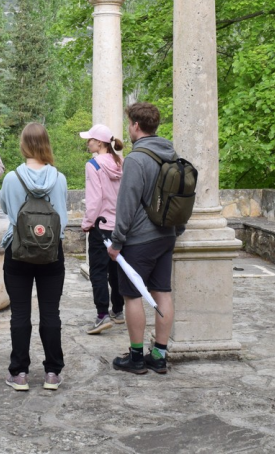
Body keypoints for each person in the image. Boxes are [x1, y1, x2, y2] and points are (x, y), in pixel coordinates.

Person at [0, 123, 69, 391]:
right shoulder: (59, 179)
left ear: (24, 144)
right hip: (52, 253)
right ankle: (52, 372)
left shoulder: (10, 179)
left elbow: (6, 209)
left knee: (20, 313)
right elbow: (62, 215)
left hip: (18, 251)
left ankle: (19, 373)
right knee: (51, 313)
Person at [110, 102, 179, 375]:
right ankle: (159, 355)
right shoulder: (171, 154)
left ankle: (136, 357)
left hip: (139, 238)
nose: (128, 129)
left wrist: (116, 241)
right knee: (162, 291)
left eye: (129, 124)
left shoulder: (136, 159)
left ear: (136, 126)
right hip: (167, 235)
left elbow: (126, 203)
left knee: (133, 296)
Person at [79, 123, 125, 335]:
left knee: (98, 271)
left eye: (89, 139)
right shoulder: (121, 162)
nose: (87, 143)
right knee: (116, 269)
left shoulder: (93, 165)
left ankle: (101, 315)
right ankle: (118, 310)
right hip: (120, 225)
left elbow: (95, 198)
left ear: (99, 143)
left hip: (101, 225)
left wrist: (87, 223)